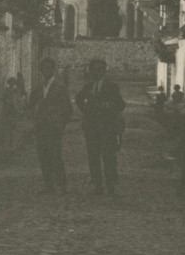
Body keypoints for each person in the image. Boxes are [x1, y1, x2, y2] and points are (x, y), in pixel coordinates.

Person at [75, 58, 126, 195]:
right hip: (91, 128)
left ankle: (111, 185)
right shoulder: (88, 87)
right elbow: (78, 99)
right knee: (93, 157)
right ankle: (97, 185)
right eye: (93, 70)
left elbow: (121, 105)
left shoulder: (111, 87)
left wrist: (107, 106)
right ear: (90, 71)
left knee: (109, 157)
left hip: (107, 128)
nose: (96, 72)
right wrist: (85, 109)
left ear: (104, 71)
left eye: (99, 69)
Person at [30, 56, 72, 193]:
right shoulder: (39, 89)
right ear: (41, 70)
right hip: (41, 127)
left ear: (53, 69)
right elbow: (31, 106)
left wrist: (60, 125)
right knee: (43, 155)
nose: (46, 71)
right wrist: (34, 120)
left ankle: (61, 184)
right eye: (43, 68)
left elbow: (67, 110)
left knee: (55, 155)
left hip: (54, 128)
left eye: (48, 68)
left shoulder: (60, 88)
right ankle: (48, 185)